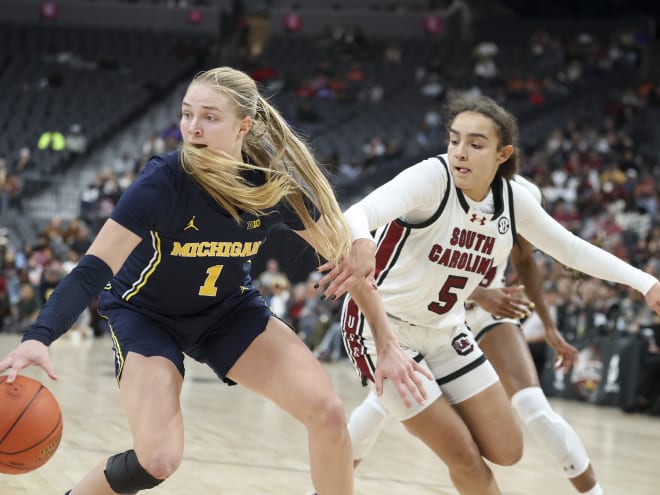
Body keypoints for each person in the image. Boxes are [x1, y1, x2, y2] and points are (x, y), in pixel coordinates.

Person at [0, 66, 428, 495]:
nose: (193, 127)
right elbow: (93, 268)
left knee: (329, 412)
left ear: (244, 126)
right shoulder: (162, 182)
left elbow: (350, 266)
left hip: (228, 312)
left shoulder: (271, 186)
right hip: (145, 316)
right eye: (187, 114)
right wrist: (40, 335)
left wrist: (387, 344)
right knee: (159, 459)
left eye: (209, 117)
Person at [318, 95, 660, 495]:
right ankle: (411, 424)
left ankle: (421, 413)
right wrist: (360, 240)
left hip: (446, 329)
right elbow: (355, 213)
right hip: (384, 329)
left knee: (509, 449)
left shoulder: (514, 201)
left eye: (475, 144)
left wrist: (646, 283)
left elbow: (569, 249)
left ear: (503, 154)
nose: (460, 153)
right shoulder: (432, 177)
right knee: (462, 455)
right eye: (454, 140)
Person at [344, 177, 604, 495]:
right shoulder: (444, 182)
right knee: (382, 406)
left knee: (533, 407)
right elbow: (425, 258)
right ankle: (329, 485)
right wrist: (479, 293)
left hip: (483, 310)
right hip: (428, 308)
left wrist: (548, 325)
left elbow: (525, 263)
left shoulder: (525, 195)